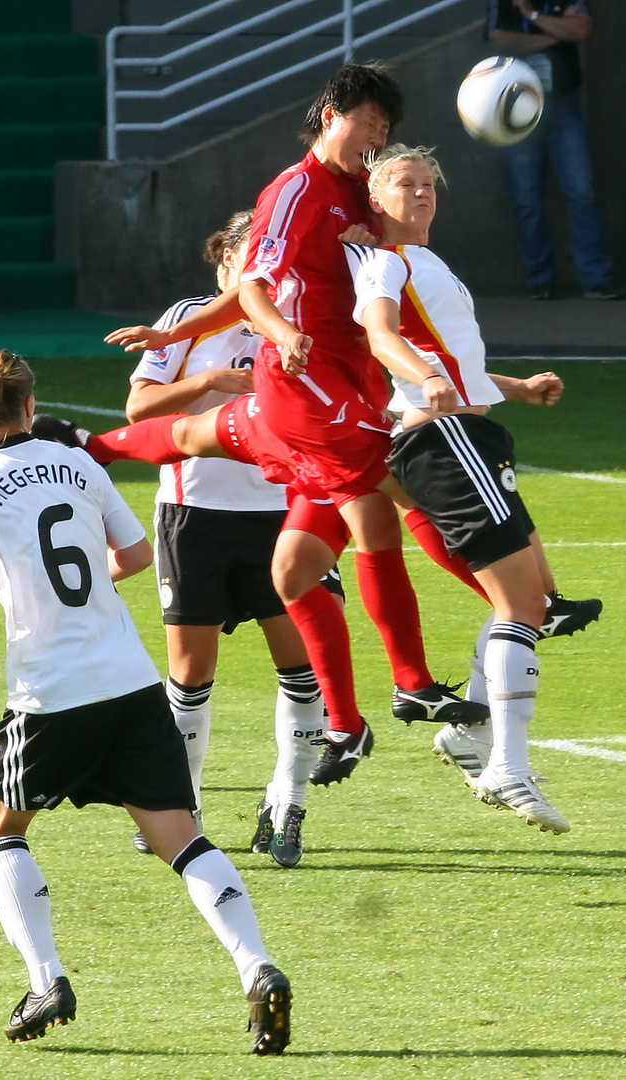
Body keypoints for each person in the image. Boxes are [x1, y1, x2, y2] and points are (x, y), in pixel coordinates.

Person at [0, 349, 292, 1053]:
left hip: (51, 694)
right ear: (31, 406)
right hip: (129, 683)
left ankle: (47, 980)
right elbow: (132, 555)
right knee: (181, 839)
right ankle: (257, 966)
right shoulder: (81, 465)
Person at [235, 61, 490, 785]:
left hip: (351, 384)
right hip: (306, 384)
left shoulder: (357, 189)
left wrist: (396, 211)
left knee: (293, 570)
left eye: (385, 131)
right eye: (368, 127)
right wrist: (282, 335)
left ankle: (345, 725)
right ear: (330, 118)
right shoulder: (294, 191)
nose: (375, 141)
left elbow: (389, 255)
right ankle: (512, 605)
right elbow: (252, 284)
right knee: (403, 499)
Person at [343, 142, 580, 833]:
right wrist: (426, 377)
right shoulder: (385, 262)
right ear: (375, 199)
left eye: (427, 185)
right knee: (520, 601)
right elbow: (381, 336)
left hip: (472, 434)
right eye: (403, 184)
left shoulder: (429, 263)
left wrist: (518, 388)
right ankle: (505, 762)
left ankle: (476, 737)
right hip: (441, 440)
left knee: (534, 598)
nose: (420, 193)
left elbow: (451, 358)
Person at [123, 209, 335, 870]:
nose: (263, 274)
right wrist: (209, 382)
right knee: (191, 675)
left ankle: (287, 802)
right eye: (251, 261)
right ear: (225, 267)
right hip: (197, 516)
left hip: (285, 515)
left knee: (303, 668)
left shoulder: (304, 322)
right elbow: (138, 409)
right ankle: (180, 810)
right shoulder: (186, 319)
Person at [485, 1, 626, 300]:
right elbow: (500, 38)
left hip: (563, 104)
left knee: (582, 191)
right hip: (517, 108)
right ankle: (541, 280)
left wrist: (531, 15)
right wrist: (555, 33)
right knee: (527, 198)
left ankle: (597, 279)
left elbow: (583, 29)